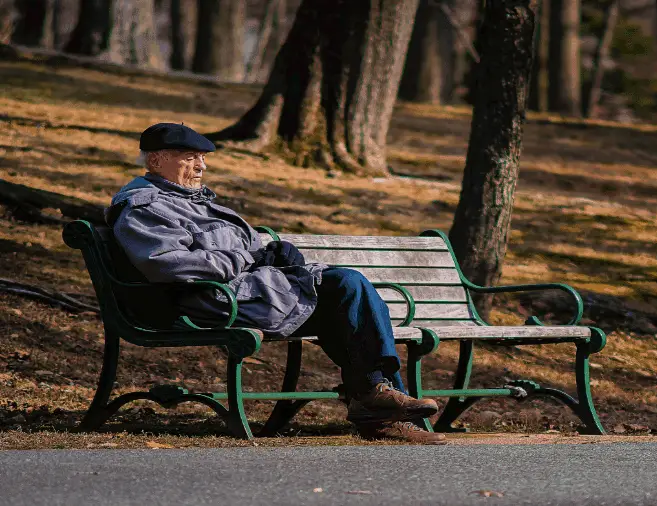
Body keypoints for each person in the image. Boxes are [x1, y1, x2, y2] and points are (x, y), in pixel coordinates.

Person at [106, 123, 445, 444]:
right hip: (212, 302)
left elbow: (247, 246)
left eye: (203, 158)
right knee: (345, 289)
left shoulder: (195, 201)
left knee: (348, 289)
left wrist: (275, 252)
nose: (202, 167)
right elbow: (166, 264)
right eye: (191, 158)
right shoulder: (145, 207)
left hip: (251, 294)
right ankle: (379, 404)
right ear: (156, 160)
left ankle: (378, 398)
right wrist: (246, 260)